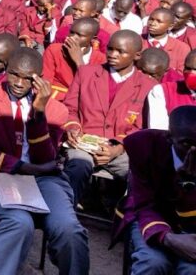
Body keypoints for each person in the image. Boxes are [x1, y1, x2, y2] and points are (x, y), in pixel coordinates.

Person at [0, 47, 89, 275]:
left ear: (40, 79)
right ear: (6, 70)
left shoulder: (56, 109)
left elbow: (45, 158)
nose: (18, 83)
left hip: (44, 178)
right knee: (18, 222)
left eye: (28, 78)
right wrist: (21, 166)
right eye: (14, 74)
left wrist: (38, 114)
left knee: (69, 230)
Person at [62, 30, 156, 204]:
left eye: (121, 51)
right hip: (83, 143)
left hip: (122, 149)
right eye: (110, 49)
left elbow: (141, 128)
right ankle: (67, 215)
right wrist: (73, 128)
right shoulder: (86, 73)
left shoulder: (148, 86)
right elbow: (70, 107)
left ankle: (129, 220)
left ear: (137, 55)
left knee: (140, 174)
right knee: (78, 166)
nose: (113, 55)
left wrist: (119, 147)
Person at [121, 106, 196, 273]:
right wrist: (166, 237)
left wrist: (189, 186)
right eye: (186, 143)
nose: (194, 151)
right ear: (169, 137)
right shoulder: (145, 146)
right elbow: (143, 202)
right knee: (153, 262)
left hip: (191, 226)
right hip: (149, 215)